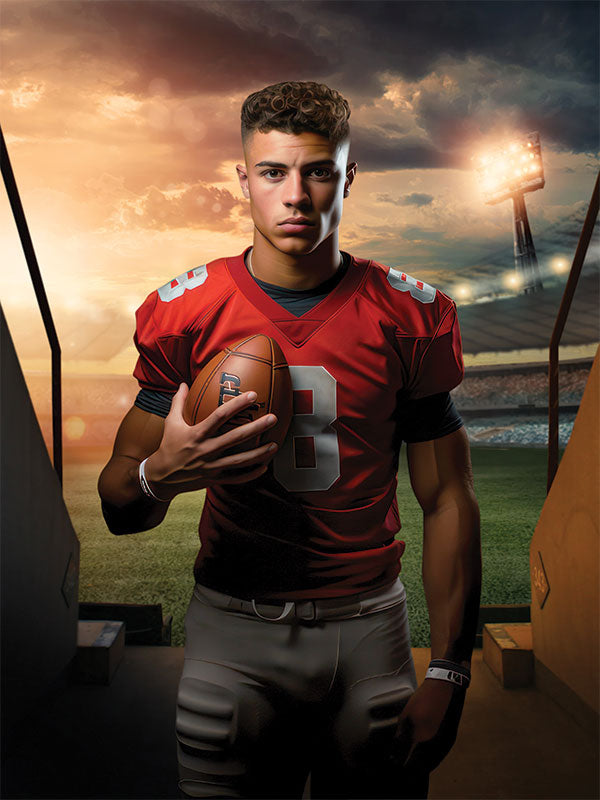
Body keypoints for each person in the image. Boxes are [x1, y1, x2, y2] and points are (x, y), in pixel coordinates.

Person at [98, 80, 481, 800]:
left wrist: (450, 669)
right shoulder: (186, 312)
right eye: (273, 172)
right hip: (232, 627)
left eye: (318, 171)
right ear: (243, 179)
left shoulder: (410, 313)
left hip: (368, 622)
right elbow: (123, 507)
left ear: (348, 175)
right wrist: (165, 472)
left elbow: (448, 497)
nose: (296, 196)